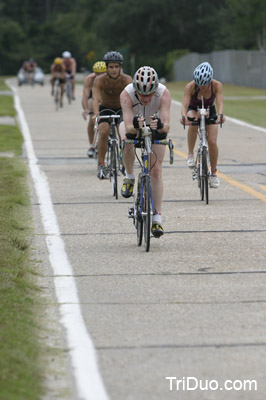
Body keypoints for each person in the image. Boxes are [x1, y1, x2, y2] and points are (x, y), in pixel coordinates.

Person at [120, 66, 171, 238]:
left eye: (150, 94)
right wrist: (135, 125)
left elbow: (167, 125)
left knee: (156, 171)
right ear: (135, 89)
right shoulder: (126, 94)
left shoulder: (164, 93)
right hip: (133, 125)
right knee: (127, 142)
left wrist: (161, 126)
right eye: (141, 94)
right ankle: (129, 176)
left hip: (154, 126)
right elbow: (127, 127)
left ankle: (157, 218)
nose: (146, 98)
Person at [180, 61, 225, 188]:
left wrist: (220, 116)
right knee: (193, 121)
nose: (202, 87)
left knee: (212, 141)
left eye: (205, 84)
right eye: (199, 84)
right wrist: (184, 117)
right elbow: (184, 105)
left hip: (210, 110)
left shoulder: (216, 85)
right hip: (193, 109)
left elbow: (220, 102)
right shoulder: (190, 87)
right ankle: (190, 154)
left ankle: (214, 173)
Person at [92, 51, 132, 179]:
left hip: (122, 109)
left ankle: (124, 163)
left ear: (120, 67)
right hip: (105, 109)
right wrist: (96, 114)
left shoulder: (127, 79)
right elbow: (96, 98)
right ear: (106, 68)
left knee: (124, 136)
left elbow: (132, 98)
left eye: (116, 67)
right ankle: (102, 164)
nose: (114, 70)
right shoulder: (100, 80)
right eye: (111, 67)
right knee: (103, 132)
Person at [81, 61, 107, 158]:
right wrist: (86, 109)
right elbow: (85, 96)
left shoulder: (110, 78)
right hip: (93, 96)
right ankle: (92, 145)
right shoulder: (89, 79)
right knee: (92, 117)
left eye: (102, 74)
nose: (99, 76)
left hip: (105, 96)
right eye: (97, 74)